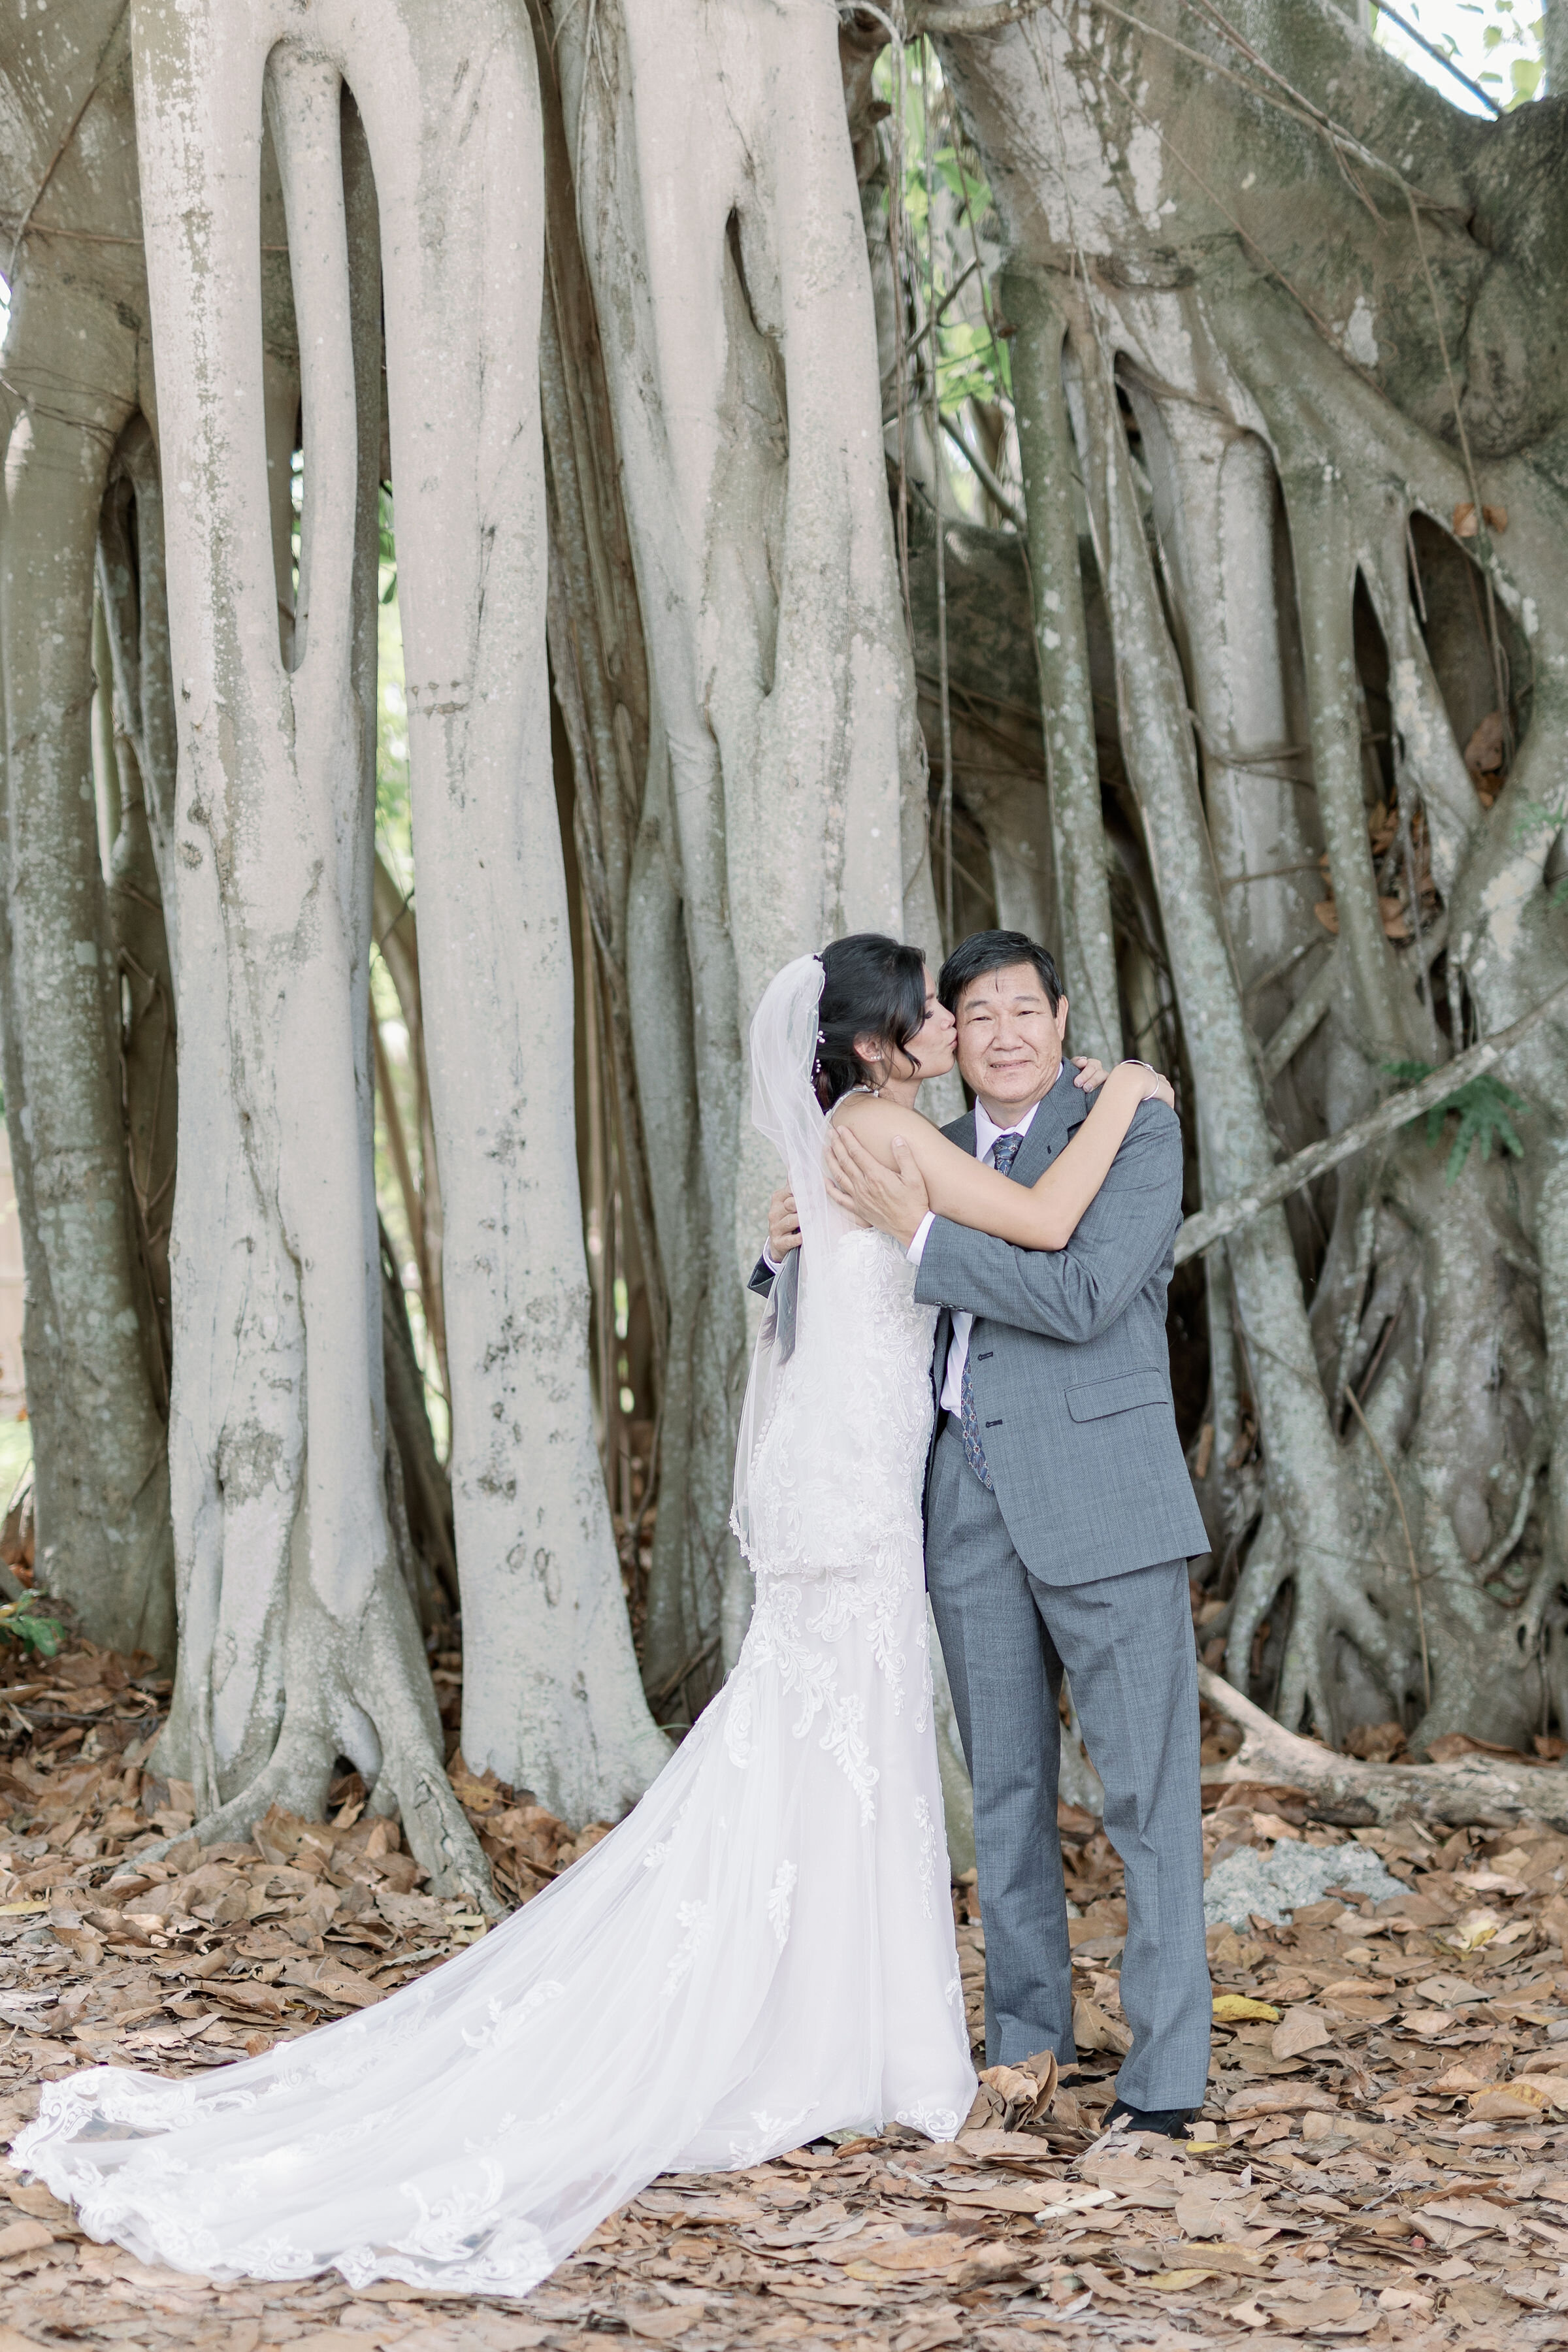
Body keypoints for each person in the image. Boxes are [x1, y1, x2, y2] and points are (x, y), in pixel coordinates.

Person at [13, 935, 1168, 2296]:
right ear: (875, 1043)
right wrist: (1137, 1097)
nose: (947, 1021)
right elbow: (1039, 1229)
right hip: (854, 1495)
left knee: (825, 1746)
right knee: (841, 1738)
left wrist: (777, 1247)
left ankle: (839, 2032)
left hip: (836, 1478)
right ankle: (849, 2042)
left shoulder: (858, 1137)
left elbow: (845, 1271)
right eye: (928, 1007)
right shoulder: (892, 1138)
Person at [809, 929, 1212, 2136]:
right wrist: (789, 1248)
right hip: (964, 1506)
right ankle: (1024, 2057)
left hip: (1108, 1496)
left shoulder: (1132, 1129)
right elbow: (847, 1278)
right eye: (974, 1015)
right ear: (946, 1037)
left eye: (1023, 1011)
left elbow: (1086, 1294)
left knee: (1147, 1800)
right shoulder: (914, 1146)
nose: (1001, 1034)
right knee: (1006, 1800)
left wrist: (923, 1242)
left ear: (1063, 1017)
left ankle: (1163, 2088)